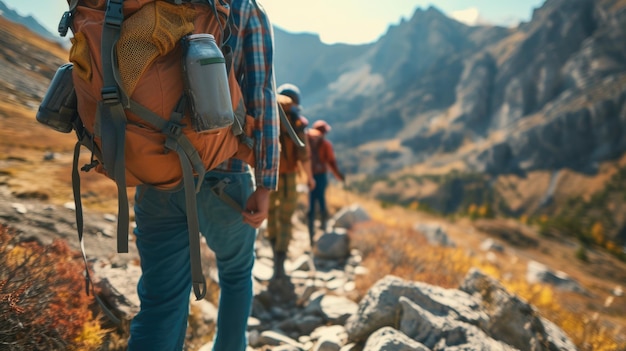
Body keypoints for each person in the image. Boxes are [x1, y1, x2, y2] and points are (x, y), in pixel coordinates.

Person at [127, 0, 280, 350]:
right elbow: (262, 96)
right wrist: (267, 182)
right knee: (236, 274)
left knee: (160, 302)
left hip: (159, 174)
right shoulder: (245, 9)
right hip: (225, 175)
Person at [268, 83, 315, 279]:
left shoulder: (269, 116)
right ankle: (280, 260)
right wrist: (309, 177)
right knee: (286, 217)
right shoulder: (297, 122)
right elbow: (304, 154)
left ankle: (272, 251)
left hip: (268, 174)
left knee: (270, 212)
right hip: (288, 176)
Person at [306, 120, 344, 246]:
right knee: (321, 200)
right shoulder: (326, 145)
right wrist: (339, 176)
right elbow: (331, 162)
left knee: (311, 203)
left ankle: (311, 235)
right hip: (321, 176)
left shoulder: (308, 142)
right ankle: (323, 231)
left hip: (310, 175)